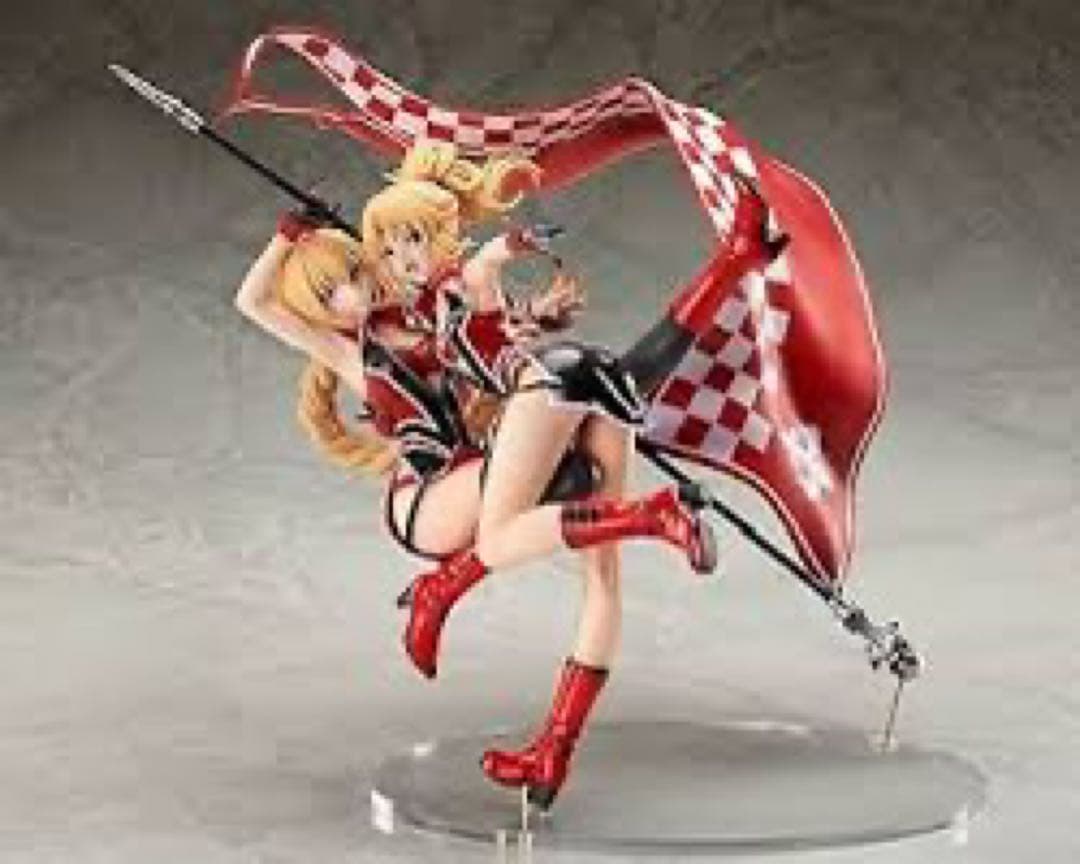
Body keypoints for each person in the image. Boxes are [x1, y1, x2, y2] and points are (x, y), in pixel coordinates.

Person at [234, 141, 778, 809]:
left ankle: (553, 751)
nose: (353, 289)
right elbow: (254, 302)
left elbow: (488, 341)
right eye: (329, 293)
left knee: (604, 563)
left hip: (481, 469)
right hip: (427, 500)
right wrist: (285, 237)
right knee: (514, 509)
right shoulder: (347, 352)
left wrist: (530, 314)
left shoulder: (428, 314)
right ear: (319, 312)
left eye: (352, 269)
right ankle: (642, 519)